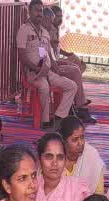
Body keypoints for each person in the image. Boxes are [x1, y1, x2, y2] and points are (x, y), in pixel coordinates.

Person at [17, 0, 77, 130]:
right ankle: (45, 121)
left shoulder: (44, 32)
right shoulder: (24, 30)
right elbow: (22, 55)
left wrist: (55, 68)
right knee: (44, 86)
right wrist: (36, 68)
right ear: (30, 11)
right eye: (37, 10)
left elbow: (46, 54)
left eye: (41, 11)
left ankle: (59, 118)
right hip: (33, 73)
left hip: (47, 71)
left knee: (71, 86)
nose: (39, 13)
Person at [42, 6, 95, 123]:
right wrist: (55, 65)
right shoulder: (43, 32)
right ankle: (80, 106)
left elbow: (49, 54)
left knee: (77, 66)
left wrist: (60, 60)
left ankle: (78, 102)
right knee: (75, 71)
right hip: (47, 70)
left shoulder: (48, 30)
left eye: (61, 16)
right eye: (57, 16)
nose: (59, 19)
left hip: (52, 64)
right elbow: (43, 57)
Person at [61, 115, 106, 195]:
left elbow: (99, 193)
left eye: (82, 137)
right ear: (64, 141)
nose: (81, 143)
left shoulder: (91, 155)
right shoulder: (55, 157)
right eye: (75, 139)